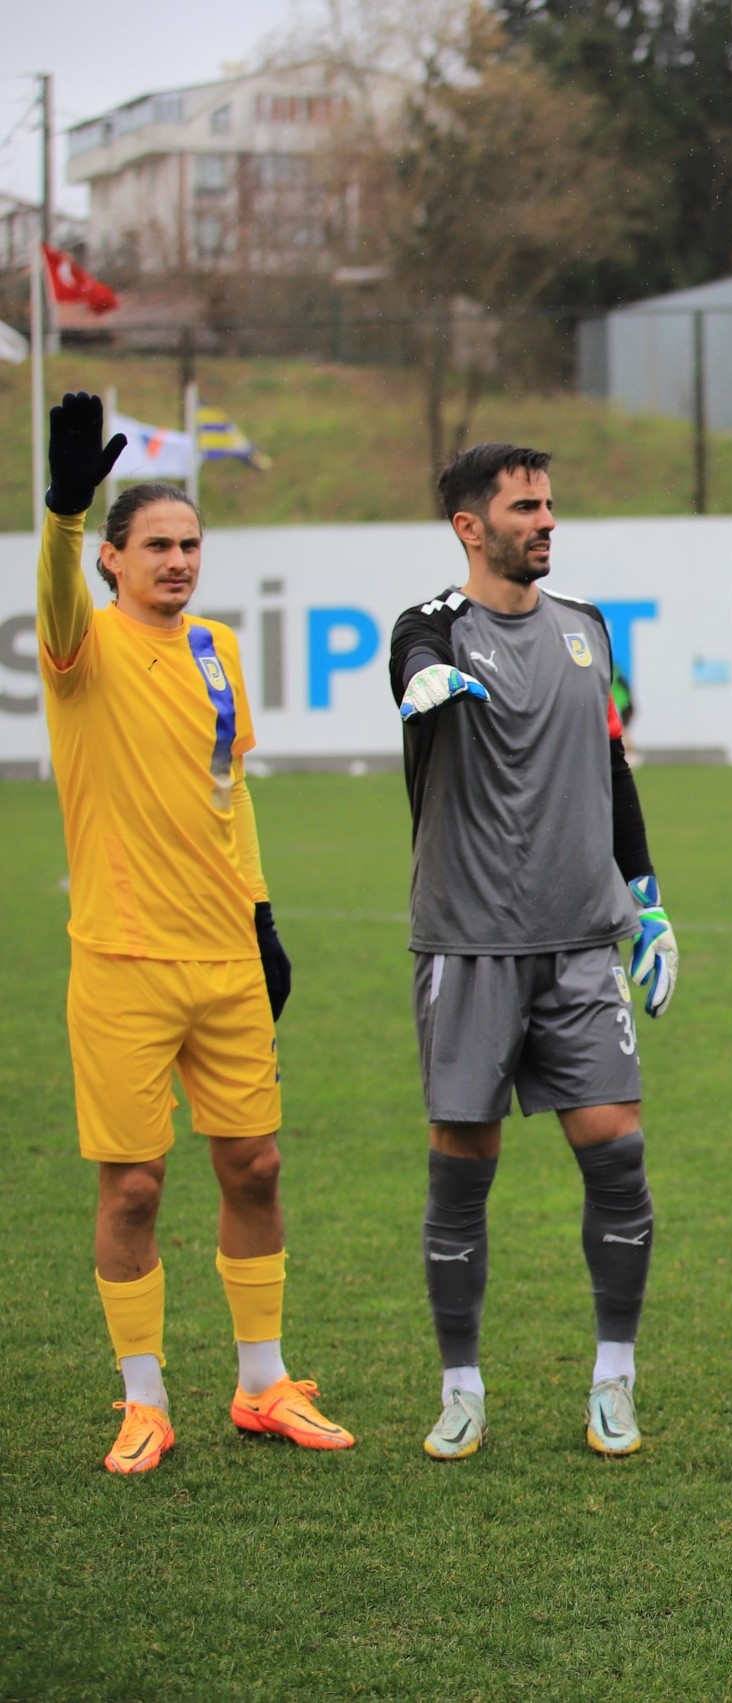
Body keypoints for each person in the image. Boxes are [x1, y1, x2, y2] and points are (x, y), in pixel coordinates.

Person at [36, 392, 352, 1474]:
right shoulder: (80, 648)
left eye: (190, 544)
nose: (178, 560)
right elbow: (59, 600)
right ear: (114, 561)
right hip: (122, 959)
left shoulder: (217, 649)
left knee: (255, 1166)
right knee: (132, 1186)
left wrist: (261, 913)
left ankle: (263, 1383)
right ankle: (144, 1397)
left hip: (225, 959)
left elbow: (230, 790)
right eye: (156, 546)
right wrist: (64, 515)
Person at [389, 442, 682, 1461]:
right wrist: (425, 686)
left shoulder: (587, 630)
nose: (547, 520)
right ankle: (460, 1385)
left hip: (579, 945)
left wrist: (645, 903)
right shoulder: (432, 626)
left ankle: (615, 1378)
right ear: (472, 527)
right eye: (525, 507)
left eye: (552, 503)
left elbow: (613, 765)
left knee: (619, 1155)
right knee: (462, 1169)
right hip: (467, 948)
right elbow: (411, 660)